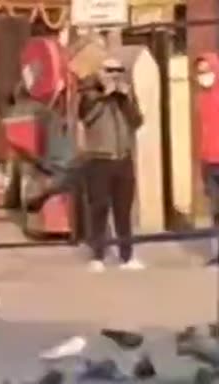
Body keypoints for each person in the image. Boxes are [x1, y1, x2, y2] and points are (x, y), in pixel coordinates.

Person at [77, 57, 143, 272]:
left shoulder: (125, 94)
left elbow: (137, 121)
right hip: (99, 159)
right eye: (109, 70)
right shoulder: (89, 94)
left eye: (118, 70)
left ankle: (127, 256)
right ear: (100, 72)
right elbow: (85, 117)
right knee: (99, 208)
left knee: (123, 210)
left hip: (123, 159)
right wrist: (104, 96)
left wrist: (125, 100)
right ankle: (98, 256)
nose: (114, 75)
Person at [196, 53, 219, 266]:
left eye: (207, 71)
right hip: (209, 161)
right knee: (214, 209)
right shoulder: (202, 98)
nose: (203, 76)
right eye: (200, 72)